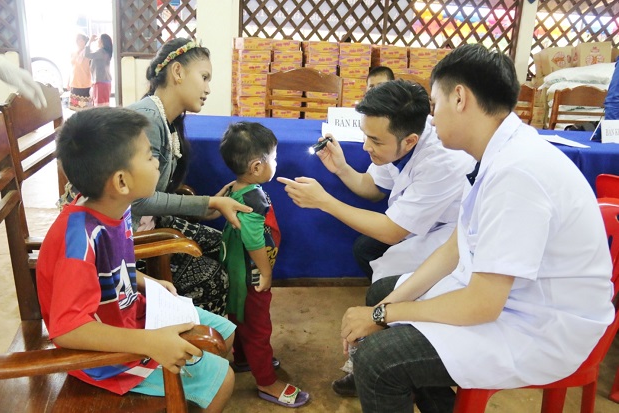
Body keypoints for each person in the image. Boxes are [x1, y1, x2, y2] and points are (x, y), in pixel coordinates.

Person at [340, 43, 615, 413]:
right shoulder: (500, 151)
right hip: (510, 300)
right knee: (386, 291)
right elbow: (454, 248)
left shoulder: (517, 172)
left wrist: (381, 316)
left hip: (543, 326)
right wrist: (386, 306)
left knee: (378, 362)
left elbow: (482, 305)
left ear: (459, 98)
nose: (431, 120)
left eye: (434, 106)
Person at [36, 107, 236, 412]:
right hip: (109, 359)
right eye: (148, 156)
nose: (157, 161)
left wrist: (147, 281)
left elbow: (111, 270)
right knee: (223, 379)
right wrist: (150, 343)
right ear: (121, 182)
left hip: (134, 315)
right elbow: (68, 330)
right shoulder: (79, 239)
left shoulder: (115, 208)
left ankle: (189, 392)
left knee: (225, 333)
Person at [278, 80, 473, 283]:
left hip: (450, 235)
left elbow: (392, 232)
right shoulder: (398, 137)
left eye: (376, 141)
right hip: (417, 226)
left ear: (410, 141)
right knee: (365, 249)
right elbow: (373, 188)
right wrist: (342, 169)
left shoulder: (442, 161)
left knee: (382, 289)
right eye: (366, 136)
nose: (366, 147)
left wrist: (324, 202)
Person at [128, 37, 252, 316]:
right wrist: (208, 203)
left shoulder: (164, 120)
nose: (208, 88)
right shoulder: (147, 119)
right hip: (126, 239)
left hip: (147, 223)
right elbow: (138, 202)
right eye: (204, 77)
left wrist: (206, 208)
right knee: (214, 277)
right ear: (178, 72)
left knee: (222, 244)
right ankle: (193, 348)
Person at [218, 122, 310, 408]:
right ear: (257, 166)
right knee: (258, 327)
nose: (276, 162)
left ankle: (244, 359)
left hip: (234, 269)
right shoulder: (254, 199)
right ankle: (267, 382)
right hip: (250, 274)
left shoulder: (236, 188)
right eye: (274, 158)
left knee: (241, 318)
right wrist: (266, 271)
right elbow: (252, 238)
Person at [85, 33, 113, 106]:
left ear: (102, 42)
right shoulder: (106, 52)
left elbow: (87, 54)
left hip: (100, 82)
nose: (97, 41)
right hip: (106, 81)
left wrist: (90, 41)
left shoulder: (101, 52)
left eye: (99, 39)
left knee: (99, 105)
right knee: (105, 104)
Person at [68, 33, 92, 111]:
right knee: (75, 108)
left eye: (80, 40)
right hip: (74, 83)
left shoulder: (88, 53)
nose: (78, 42)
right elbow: (71, 68)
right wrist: (68, 82)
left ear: (85, 41)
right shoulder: (73, 53)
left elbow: (93, 67)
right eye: (77, 40)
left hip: (85, 83)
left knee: (86, 109)